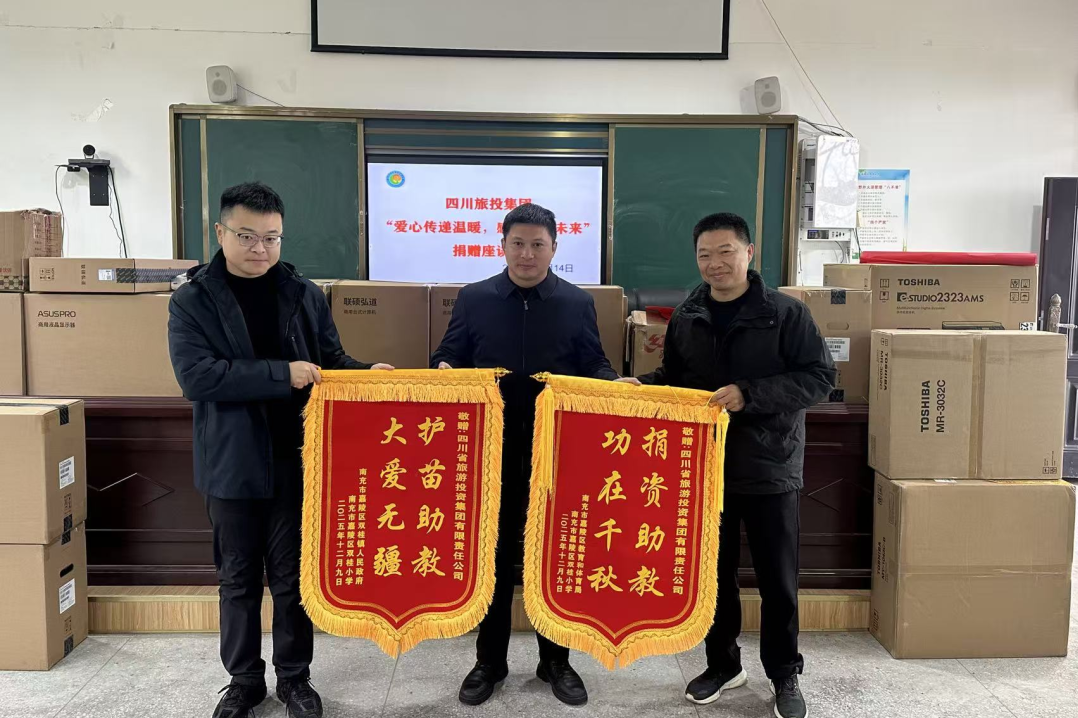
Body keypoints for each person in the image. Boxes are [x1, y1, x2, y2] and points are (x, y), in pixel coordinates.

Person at [168, 182, 393, 718]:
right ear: (220, 232)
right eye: (247, 236)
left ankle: (295, 678)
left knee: (294, 581)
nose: (261, 248)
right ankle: (244, 681)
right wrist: (280, 374)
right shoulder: (192, 300)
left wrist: (369, 374)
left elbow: (330, 361)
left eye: (272, 238)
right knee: (238, 580)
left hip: (298, 461)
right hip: (231, 464)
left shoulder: (303, 293)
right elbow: (198, 378)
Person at [432, 202, 630, 707]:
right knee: (494, 556)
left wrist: (613, 384)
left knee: (552, 555)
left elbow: (593, 362)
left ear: (554, 248)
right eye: (517, 244)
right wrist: (446, 369)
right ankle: (489, 661)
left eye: (537, 245)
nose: (526, 254)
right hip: (491, 451)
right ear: (502, 246)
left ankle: (556, 661)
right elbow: (448, 354)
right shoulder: (475, 298)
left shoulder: (575, 302)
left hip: (556, 450)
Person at [638, 213, 834, 718]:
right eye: (705, 254)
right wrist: (643, 386)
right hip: (704, 468)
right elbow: (677, 378)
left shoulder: (787, 314)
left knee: (777, 580)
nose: (715, 263)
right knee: (714, 577)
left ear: (749, 252)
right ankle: (723, 664)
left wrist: (751, 394)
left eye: (725, 252)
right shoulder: (688, 316)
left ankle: (784, 673)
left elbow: (818, 378)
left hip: (771, 466)